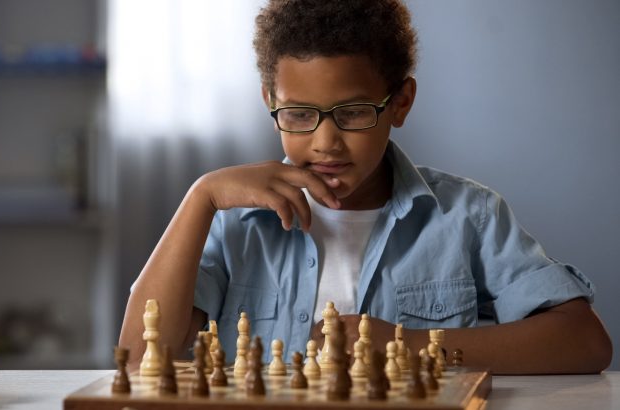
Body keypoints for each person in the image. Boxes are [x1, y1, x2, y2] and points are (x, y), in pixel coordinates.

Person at [120, 0, 612, 374]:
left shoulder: (468, 216)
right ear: (270, 102)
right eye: (298, 114)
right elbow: (140, 356)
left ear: (400, 102)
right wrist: (201, 195)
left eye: (353, 112)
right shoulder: (234, 225)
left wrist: (410, 345)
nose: (325, 141)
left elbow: (585, 343)